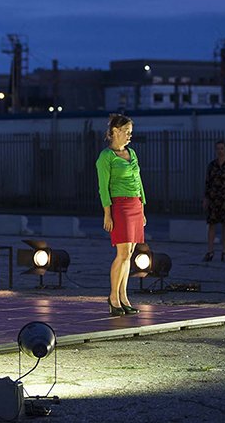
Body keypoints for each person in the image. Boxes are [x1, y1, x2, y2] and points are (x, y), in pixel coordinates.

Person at [96, 114, 146, 316]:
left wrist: (142, 207)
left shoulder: (132, 153)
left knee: (130, 255)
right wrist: (107, 214)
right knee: (123, 254)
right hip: (120, 206)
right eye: (126, 132)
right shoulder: (106, 157)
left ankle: (124, 296)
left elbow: (139, 180)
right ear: (115, 132)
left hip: (135, 205)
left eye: (130, 132)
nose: (129, 136)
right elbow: (103, 188)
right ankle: (113, 297)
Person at [202, 140, 225, 262]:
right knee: (211, 224)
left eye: (222, 148)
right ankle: (210, 251)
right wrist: (206, 198)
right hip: (213, 198)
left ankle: (224, 251)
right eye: (218, 148)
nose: (220, 151)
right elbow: (207, 182)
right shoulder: (212, 165)